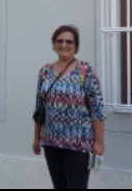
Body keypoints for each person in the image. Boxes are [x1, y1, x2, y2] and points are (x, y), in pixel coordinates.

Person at [33, 25, 106, 190]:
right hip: (51, 141)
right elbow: (39, 107)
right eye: (59, 41)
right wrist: (37, 137)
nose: (64, 45)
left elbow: (98, 109)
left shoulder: (85, 71)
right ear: (54, 44)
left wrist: (99, 142)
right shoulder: (45, 72)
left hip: (78, 143)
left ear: (76, 46)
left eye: (69, 42)